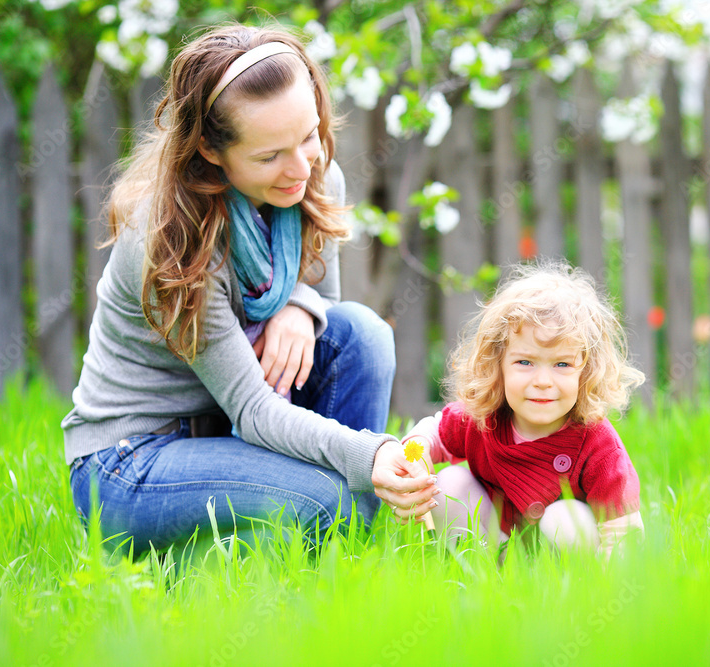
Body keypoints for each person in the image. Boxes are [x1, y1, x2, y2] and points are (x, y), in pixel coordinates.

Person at [63, 24, 438, 555]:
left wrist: (301, 308)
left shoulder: (313, 177)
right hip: (134, 460)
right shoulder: (171, 236)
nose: (301, 168)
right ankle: (319, 535)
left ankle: (329, 549)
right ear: (211, 152)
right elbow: (255, 410)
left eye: (308, 136)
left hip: (223, 428)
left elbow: (324, 298)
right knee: (329, 499)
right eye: (269, 157)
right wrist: (371, 454)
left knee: (362, 334)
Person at [402, 262, 646, 557]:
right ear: (498, 365)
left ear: (586, 372)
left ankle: (564, 589)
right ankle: (484, 571)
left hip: (563, 559)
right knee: (449, 484)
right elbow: (432, 435)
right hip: (496, 539)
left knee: (565, 520)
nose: (542, 381)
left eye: (562, 364)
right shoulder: (484, 418)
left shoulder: (598, 445)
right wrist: (414, 456)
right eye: (525, 362)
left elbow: (623, 534)